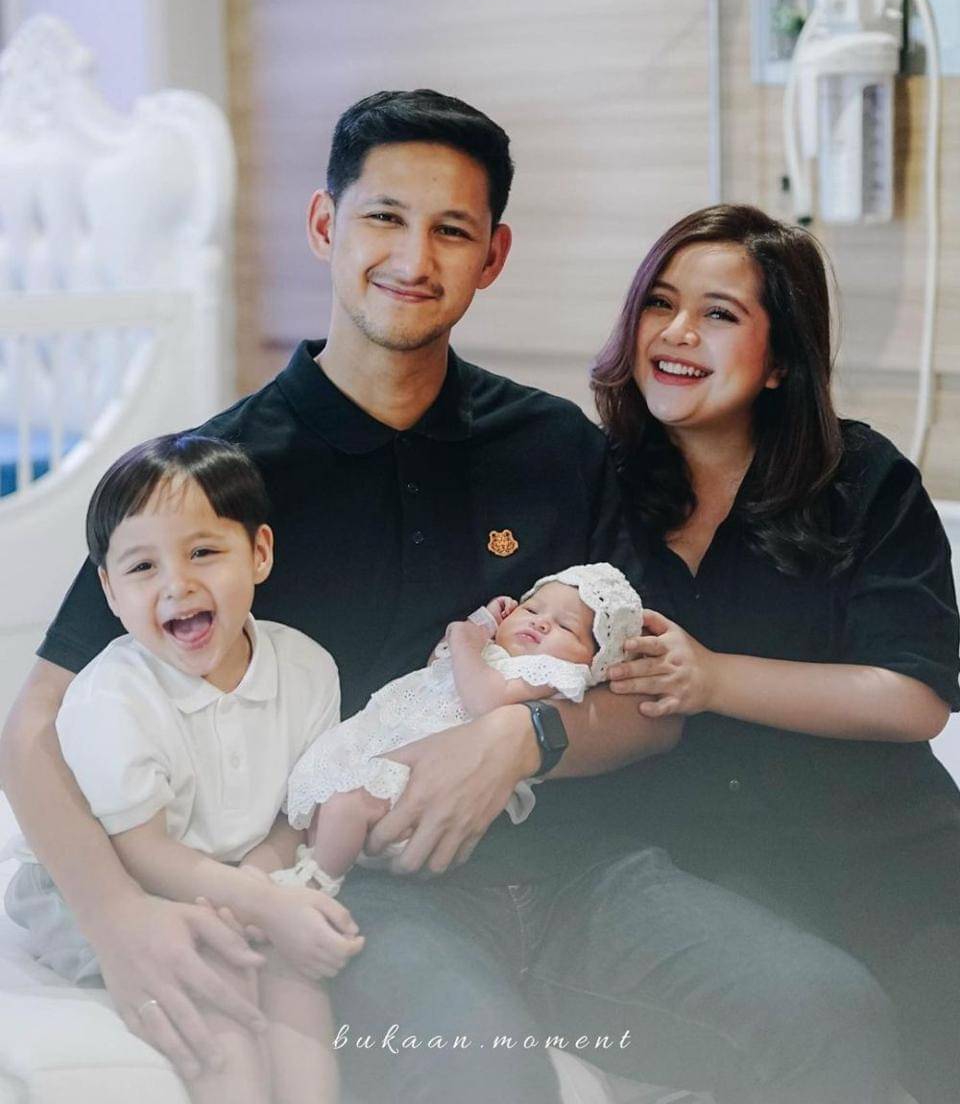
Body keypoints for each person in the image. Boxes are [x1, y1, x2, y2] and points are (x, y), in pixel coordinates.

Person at [1, 91, 899, 1104]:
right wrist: (117, 919)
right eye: (384, 218)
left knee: (834, 1009)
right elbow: (34, 722)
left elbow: (657, 710)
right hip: (368, 897)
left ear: (494, 255)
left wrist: (522, 739)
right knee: (488, 1078)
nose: (413, 258)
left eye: (452, 231)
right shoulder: (219, 478)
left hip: (587, 871)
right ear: (325, 225)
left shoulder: (555, 448)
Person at [593, 203, 960, 1104]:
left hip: (887, 852)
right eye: (660, 303)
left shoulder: (863, 480)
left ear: (780, 361)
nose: (677, 332)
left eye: (719, 313)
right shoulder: (595, 486)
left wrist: (714, 678)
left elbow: (916, 695)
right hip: (702, 867)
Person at [6, 433, 360, 1104]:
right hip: (122, 876)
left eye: (203, 552)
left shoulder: (308, 668)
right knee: (214, 991)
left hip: (238, 871)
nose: (177, 584)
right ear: (110, 591)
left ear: (259, 553)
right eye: (143, 567)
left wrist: (258, 885)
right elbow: (141, 851)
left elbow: (298, 811)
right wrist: (258, 904)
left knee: (295, 984)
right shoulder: (113, 696)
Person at [283, 565, 643, 894]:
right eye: (532, 609)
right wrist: (481, 624)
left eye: (566, 627)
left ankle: (316, 885)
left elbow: (485, 702)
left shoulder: (548, 674)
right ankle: (307, 867)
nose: (542, 623)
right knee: (324, 802)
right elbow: (437, 663)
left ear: (594, 661)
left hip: (428, 782)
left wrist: (465, 642)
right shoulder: (488, 652)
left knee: (346, 807)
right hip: (388, 742)